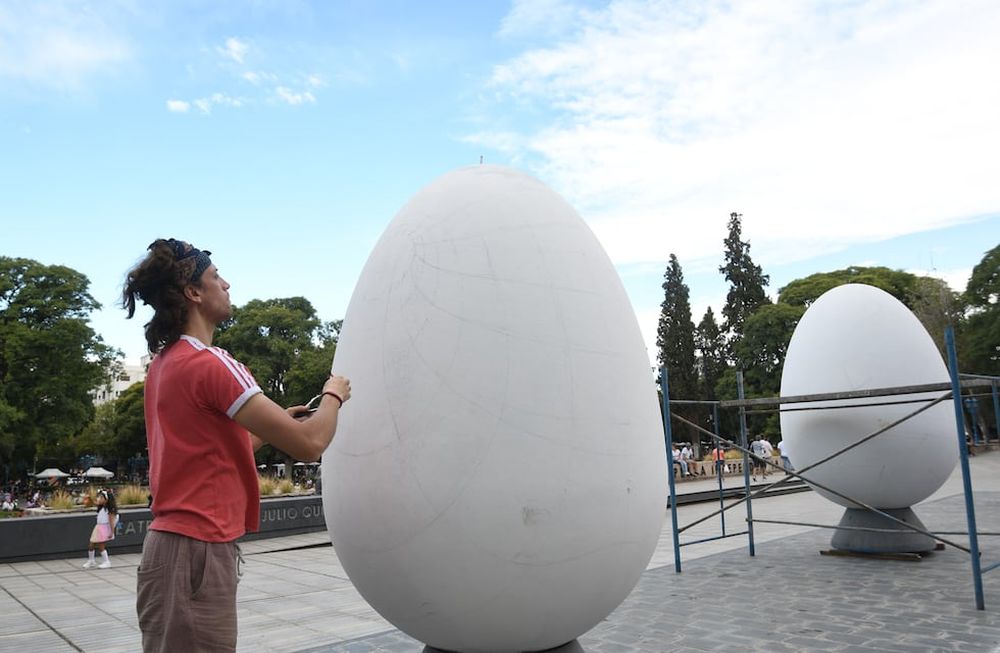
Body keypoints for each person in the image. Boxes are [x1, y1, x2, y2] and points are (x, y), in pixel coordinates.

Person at [122, 238, 352, 653]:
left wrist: (275, 423)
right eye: (215, 277)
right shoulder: (214, 364)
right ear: (193, 293)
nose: (226, 284)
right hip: (198, 552)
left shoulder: (164, 365)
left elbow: (209, 456)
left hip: (169, 549)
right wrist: (333, 394)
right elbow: (311, 444)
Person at [83, 489, 118, 569]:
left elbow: (111, 521)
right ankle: (91, 560)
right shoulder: (101, 507)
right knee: (91, 544)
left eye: (101, 497)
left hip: (104, 528)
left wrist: (112, 532)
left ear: (106, 500)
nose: (99, 499)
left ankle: (106, 561)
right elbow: (93, 503)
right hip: (98, 527)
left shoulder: (109, 510)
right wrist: (90, 499)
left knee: (101, 546)